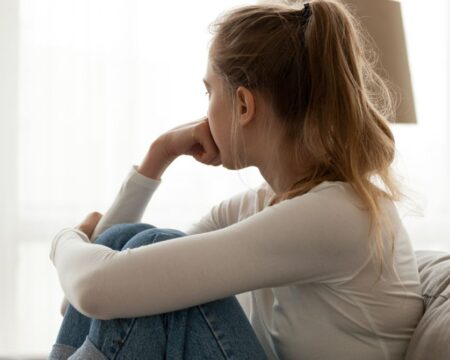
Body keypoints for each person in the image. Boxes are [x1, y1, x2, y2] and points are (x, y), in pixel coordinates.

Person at [48, 0, 425, 359]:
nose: (205, 109)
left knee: (153, 245)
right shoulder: (264, 204)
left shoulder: (337, 215)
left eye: (209, 91)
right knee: (130, 244)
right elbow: (87, 296)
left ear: (244, 106)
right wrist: (159, 154)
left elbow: (95, 288)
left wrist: (65, 240)